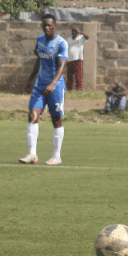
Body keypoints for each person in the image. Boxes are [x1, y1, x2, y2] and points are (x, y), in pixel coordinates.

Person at [19, 15, 68, 166]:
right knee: (33, 115)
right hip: (40, 85)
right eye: (44, 25)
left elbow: (62, 65)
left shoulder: (61, 43)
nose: (46, 28)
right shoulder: (40, 40)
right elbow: (39, 59)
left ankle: (56, 156)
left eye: (49, 25)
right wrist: (30, 79)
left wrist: (52, 84)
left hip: (56, 87)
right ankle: (32, 154)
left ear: (55, 26)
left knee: (56, 119)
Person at [65, 27, 89, 91]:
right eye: (73, 31)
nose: (74, 32)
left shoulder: (81, 38)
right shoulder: (69, 39)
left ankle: (79, 89)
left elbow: (87, 36)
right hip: (69, 60)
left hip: (78, 59)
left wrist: (80, 32)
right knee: (69, 76)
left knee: (78, 76)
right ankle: (69, 89)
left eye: (75, 31)